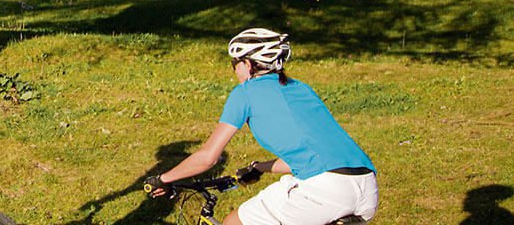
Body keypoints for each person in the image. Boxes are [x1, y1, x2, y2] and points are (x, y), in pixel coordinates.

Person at [145, 28, 379, 225]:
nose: (234, 70)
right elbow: (309, 156)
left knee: (233, 222)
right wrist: (259, 168)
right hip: (366, 188)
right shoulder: (300, 89)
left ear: (247, 64)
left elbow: (208, 157)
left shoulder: (244, 94)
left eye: (234, 63)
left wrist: (163, 179)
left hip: (323, 191)